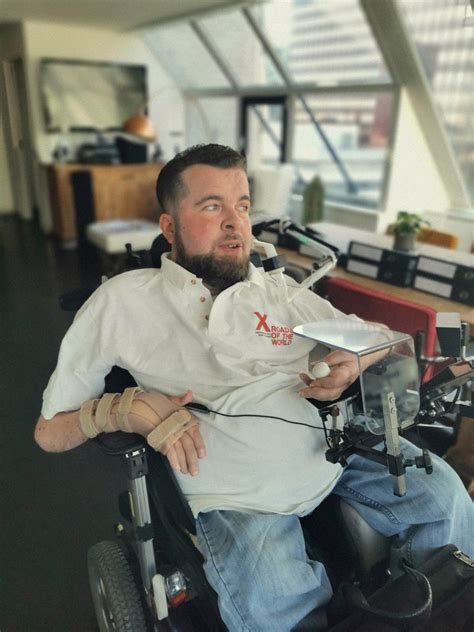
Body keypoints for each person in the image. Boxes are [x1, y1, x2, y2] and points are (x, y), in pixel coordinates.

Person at [35, 144, 473, 631]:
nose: (234, 222)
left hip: (332, 454)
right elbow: (49, 431)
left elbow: (379, 337)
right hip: (236, 494)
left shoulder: (282, 292)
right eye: (212, 206)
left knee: (445, 499)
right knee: (275, 602)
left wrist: (355, 360)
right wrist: (128, 409)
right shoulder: (123, 301)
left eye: (242, 206)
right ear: (169, 227)